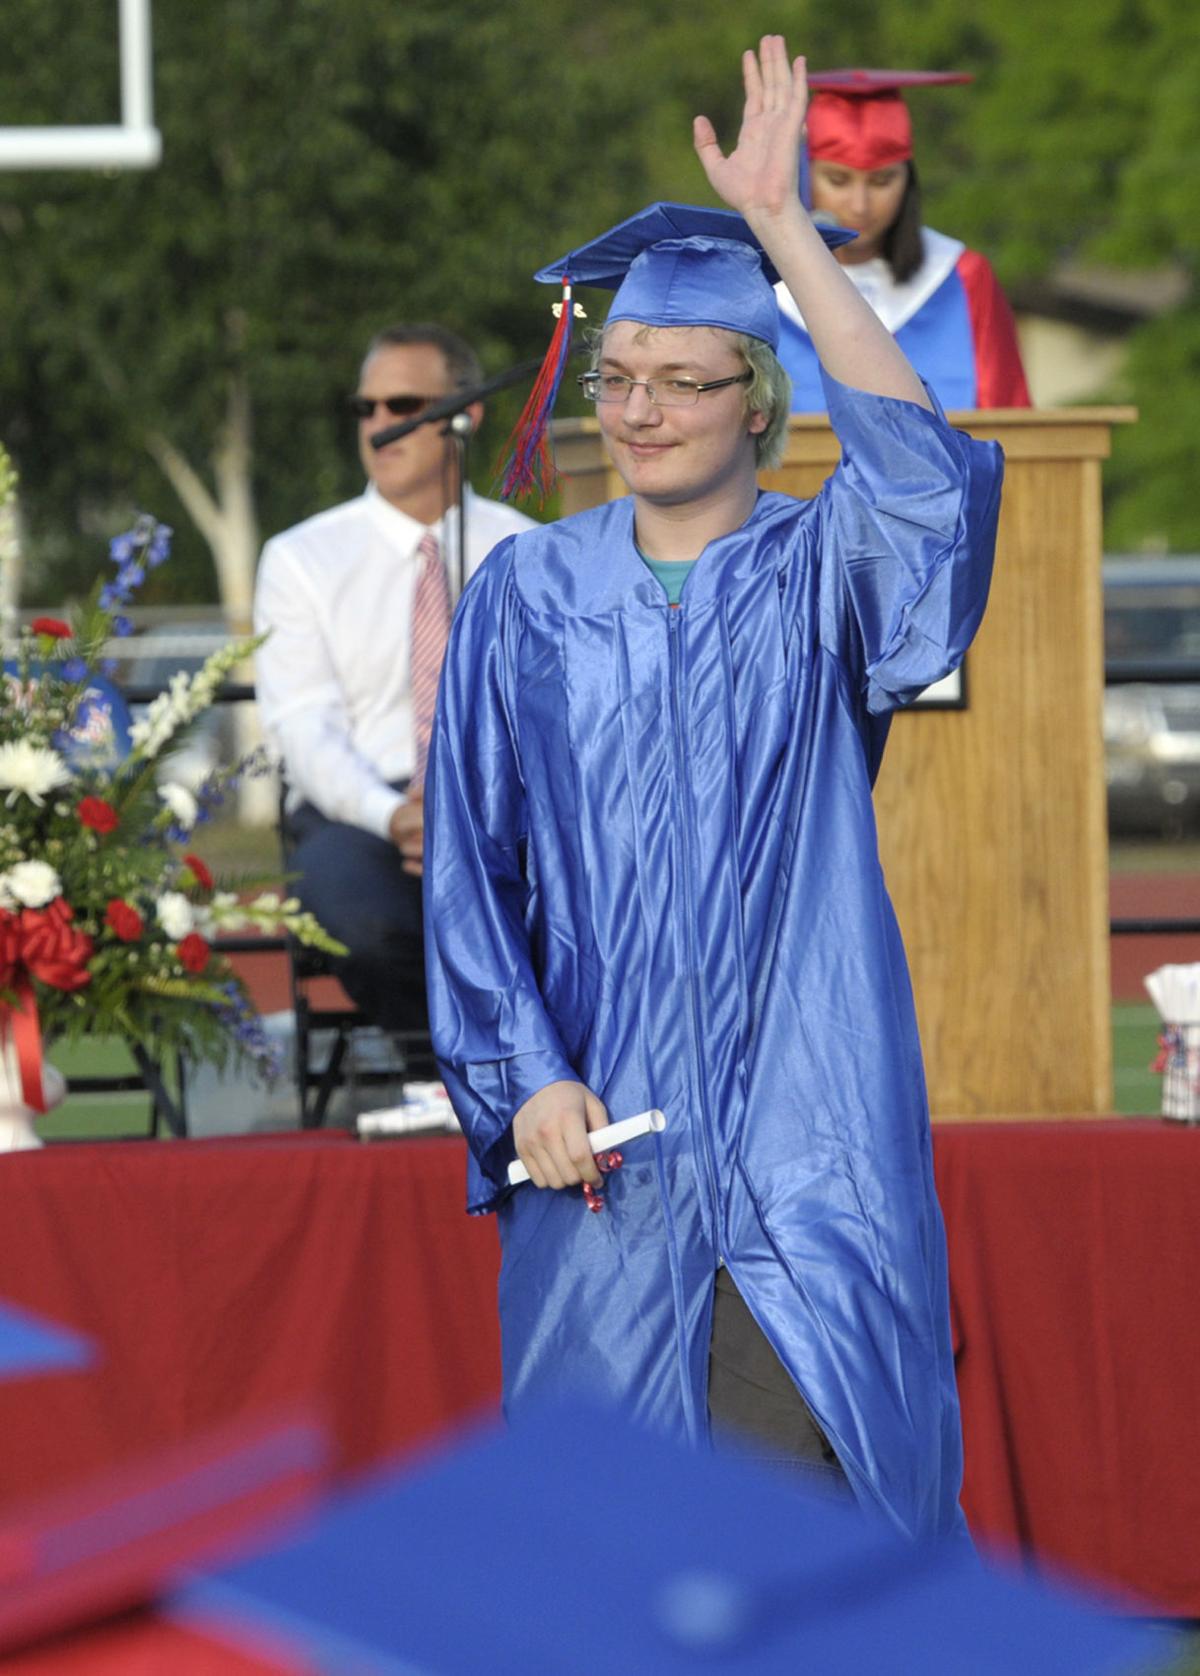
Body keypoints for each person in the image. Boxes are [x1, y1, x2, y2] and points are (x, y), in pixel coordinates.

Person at [424, 38, 1003, 1541]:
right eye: (616, 378)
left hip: (809, 1126)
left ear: (759, 401)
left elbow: (930, 485)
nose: (639, 410)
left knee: (808, 1520)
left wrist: (787, 235)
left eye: (684, 381)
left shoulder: (821, 576)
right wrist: (523, 1075)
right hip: (606, 1130)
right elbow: (471, 879)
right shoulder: (527, 595)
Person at [254, 324, 536, 1033]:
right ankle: (455, 1072)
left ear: (467, 415)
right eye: (365, 408)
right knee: (363, 920)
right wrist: (396, 815)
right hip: (363, 815)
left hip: (503, 816)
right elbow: (303, 728)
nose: (379, 425)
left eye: (402, 403)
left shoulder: (527, 550)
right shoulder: (301, 559)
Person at [777, 69, 1031, 412]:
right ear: (806, 176)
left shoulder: (962, 278)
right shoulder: (768, 288)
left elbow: (1013, 422)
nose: (860, 205)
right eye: (838, 180)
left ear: (907, 180)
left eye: (882, 181)